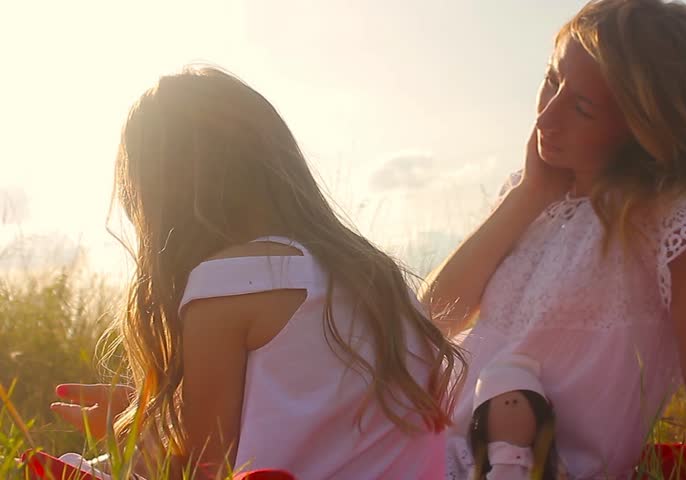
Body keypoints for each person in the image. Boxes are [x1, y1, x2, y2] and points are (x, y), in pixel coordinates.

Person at [51, 66, 465, 480]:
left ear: (157, 196)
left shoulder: (226, 284)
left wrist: (130, 440)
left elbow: (202, 472)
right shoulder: (380, 279)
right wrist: (161, 418)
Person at [424, 0, 686, 478]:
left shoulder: (669, 217)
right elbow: (433, 318)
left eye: (582, 106)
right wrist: (528, 195)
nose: (546, 118)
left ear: (641, 127)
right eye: (551, 80)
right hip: (440, 439)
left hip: (545, 467)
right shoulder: (530, 190)